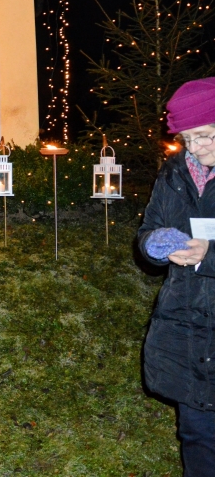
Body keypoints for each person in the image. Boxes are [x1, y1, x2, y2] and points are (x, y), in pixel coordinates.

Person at [138, 77, 215, 477]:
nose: (195, 148)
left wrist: (210, 254)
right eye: (187, 139)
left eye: (203, 136)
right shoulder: (174, 173)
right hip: (186, 326)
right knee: (197, 435)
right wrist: (154, 243)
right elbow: (147, 230)